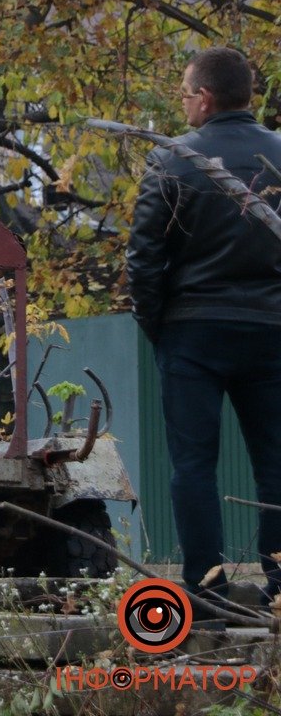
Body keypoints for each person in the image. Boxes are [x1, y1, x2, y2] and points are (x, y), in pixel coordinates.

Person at [126, 46, 281, 608]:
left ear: (206, 98)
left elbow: (143, 260)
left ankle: (207, 589)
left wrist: (158, 328)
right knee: (276, 464)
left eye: (186, 93)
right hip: (271, 330)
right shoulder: (280, 158)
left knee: (193, 465)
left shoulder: (173, 159)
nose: (183, 103)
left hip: (193, 333)